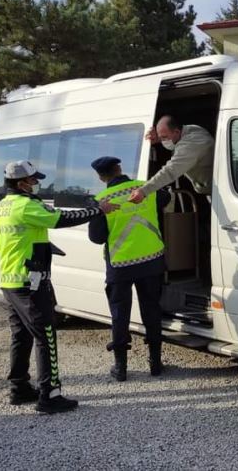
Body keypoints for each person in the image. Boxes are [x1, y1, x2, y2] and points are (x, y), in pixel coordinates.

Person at [0, 160, 117, 414]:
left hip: (10, 282)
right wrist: (98, 210)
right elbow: (61, 218)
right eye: (34, 180)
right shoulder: (25, 206)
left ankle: (19, 388)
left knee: (21, 336)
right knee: (45, 337)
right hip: (31, 282)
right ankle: (50, 394)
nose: (37, 184)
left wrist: (29, 245)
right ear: (22, 183)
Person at [88, 156, 170, 381]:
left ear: (101, 177)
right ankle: (155, 363)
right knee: (151, 310)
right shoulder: (146, 188)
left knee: (120, 315)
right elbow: (167, 196)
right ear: (119, 168)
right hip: (152, 260)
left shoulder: (100, 200)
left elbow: (96, 238)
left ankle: (121, 367)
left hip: (121, 266)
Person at [128, 115, 214, 285]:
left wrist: (144, 190)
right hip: (206, 190)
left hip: (214, 193)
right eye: (161, 137)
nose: (162, 141)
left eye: (165, 137)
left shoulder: (194, 141)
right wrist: (160, 140)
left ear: (176, 131)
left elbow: (171, 171)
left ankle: (206, 280)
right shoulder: (188, 131)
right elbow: (176, 145)